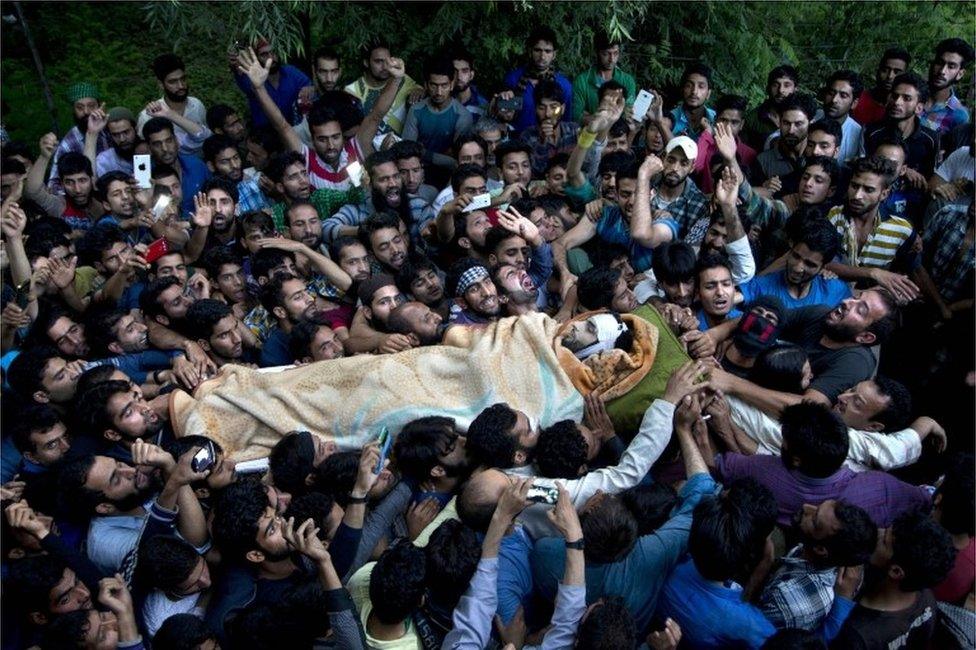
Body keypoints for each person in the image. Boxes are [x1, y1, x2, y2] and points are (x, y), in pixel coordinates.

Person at [710, 402, 932, 527]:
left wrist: (719, 426)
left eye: (783, 441)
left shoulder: (766, 472)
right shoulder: (880, 484)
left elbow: (717, 464)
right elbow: (924, 498)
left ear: (796, 458)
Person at [832, 512, 957, 648]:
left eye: (884, 541)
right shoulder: (927, 599)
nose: (878, 533)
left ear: (896, 571)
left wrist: (841, 601)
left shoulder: (857, 635)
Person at [825, 156, 919, 303]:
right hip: (832, 296)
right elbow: (824, 263)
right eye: (854, 186)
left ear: (884, 194)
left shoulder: (901, 229)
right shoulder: (835, 216)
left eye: (868, 190)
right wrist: (873, 273)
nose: (857, 196)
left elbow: (906, 272)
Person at [739, 217, 852, 310]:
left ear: (823, 266)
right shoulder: (760, 286)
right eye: (796, 256)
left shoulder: (836, 291)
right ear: (791, 248)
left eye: (810, 264)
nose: (797, 268)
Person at [862, 73, 940, 178]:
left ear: (919, 108)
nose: (897, 102)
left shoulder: (930, 139)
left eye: (906, 98)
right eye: (894, 96)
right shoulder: (871, 132)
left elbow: (931, 177)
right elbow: (863, 167)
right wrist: (902, 170)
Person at [402, 57, 474, 170]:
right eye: (434, 85)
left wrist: (422, 152)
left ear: (451, 84)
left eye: (444, 85)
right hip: (417, 172)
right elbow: (407, 151)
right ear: (426, 85)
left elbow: (456, 160)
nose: (439, 92)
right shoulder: (416, 110)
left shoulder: (462, 116)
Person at [343, 40, 420, 140]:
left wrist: (420, 90)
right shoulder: (351, 91)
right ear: (366, 62)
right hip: (367, 151)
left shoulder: (402, 79)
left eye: (387, 61)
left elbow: (424, 93)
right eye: (378, 61)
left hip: (400, 150)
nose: (384, 67)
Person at [137, 54, 211, 157]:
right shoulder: (148, 116)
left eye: (183, 79)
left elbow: (207, 139)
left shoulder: (196, 105)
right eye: (173, 82)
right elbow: (144, 153)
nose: (181, 86)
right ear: (161, 84)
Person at [503, 26, 574, 133]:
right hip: (517, 142)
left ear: (554, 54)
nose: (542, 56)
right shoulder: (513, 79)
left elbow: (566, 120)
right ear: (530, 51)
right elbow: (504, 114)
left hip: (549, 143)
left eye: (547, 51)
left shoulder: (563, 85)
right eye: (538, 50)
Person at [46, 82, 111, 195]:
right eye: (80, 108)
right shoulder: (68, 144)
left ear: (100, 106)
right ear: (73, 110)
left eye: (91, 106)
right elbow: (53, 185)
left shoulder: (111, 132)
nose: (86, 112)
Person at [231, 37, 312, 128]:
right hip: (265, 134)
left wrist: (309, 89)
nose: (271, 57)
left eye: (273, 52)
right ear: (257, 58)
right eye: (264, 54)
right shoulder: (251, 77)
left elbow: (310, 86)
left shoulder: (290, 72)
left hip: (293, 130)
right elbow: (240, 74)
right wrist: (235, 64)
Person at [571, 30, 637, 122]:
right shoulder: (582, 81)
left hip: (618, 134)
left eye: (615, 53)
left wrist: (591, 117)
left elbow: (629, 113)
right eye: (606, 54)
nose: (612, 59)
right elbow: (576, 116)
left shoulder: (627, 81)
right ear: (597, 52)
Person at [920, 37, 974, 136]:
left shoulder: (959, 115)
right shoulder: (911, 95)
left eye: (951, 66)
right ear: (932, 64)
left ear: (960, 74)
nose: (942, 71)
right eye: (940, 63)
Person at [852, 47, 911, 126]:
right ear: (878, 70)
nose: (890, 76)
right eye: (885, 70)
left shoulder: (908, 108)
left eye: (897, 72)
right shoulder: (857, 99)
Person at [822, 70, 865, 163]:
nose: (834, 100)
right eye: (831, 93)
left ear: (854, 103)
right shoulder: (809, 119)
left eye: (843, 95)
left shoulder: (858, 135)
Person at [670, 62, 716, 142]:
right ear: (682, 89)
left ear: (708, 93)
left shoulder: (716, 119)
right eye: (689, 85)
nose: (694, 91)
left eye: (701, 86)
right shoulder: (669, 118)